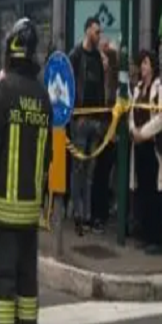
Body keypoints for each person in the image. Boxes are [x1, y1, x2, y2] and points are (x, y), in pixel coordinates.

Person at [0, 18, 52, 324]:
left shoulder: (5, 91)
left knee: (5, 282)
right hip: (30, 210)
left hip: (5, 211)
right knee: (27, 281)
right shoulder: (43, 95)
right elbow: (47, 156)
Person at [68, 17, 107, 236]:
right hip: (81, 118)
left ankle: (87, 214)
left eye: (99, 32)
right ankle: (78, 215)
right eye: (95, 32)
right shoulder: (76, 56)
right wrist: (75, 112)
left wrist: (101, 118)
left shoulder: (98, 59)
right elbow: (69, 84)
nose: (98, 36)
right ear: (86, 32)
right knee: (79, 168)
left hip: (94, 119)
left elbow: (101, 88)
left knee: (90, 170)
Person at [129, 50, 162, 254]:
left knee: (154, 192)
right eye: (141, 63)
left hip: (152, 145)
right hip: (139, 146)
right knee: (142, 190)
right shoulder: (137, 89)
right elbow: (131, 113)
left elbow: (161, 118)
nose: (143, 67)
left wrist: (143, 133)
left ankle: (157, 239)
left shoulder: (158, 87)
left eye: (146, 63)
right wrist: (133, 130)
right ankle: (145, 235)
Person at [90, 43, 119, 233]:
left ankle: (103, 212)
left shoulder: (114, 83)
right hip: (97, 133)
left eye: (105, 58)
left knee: (105, 174)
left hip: (110, 135)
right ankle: (95, 214)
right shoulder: (95, 80)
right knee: (96, 175)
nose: (103, 62)